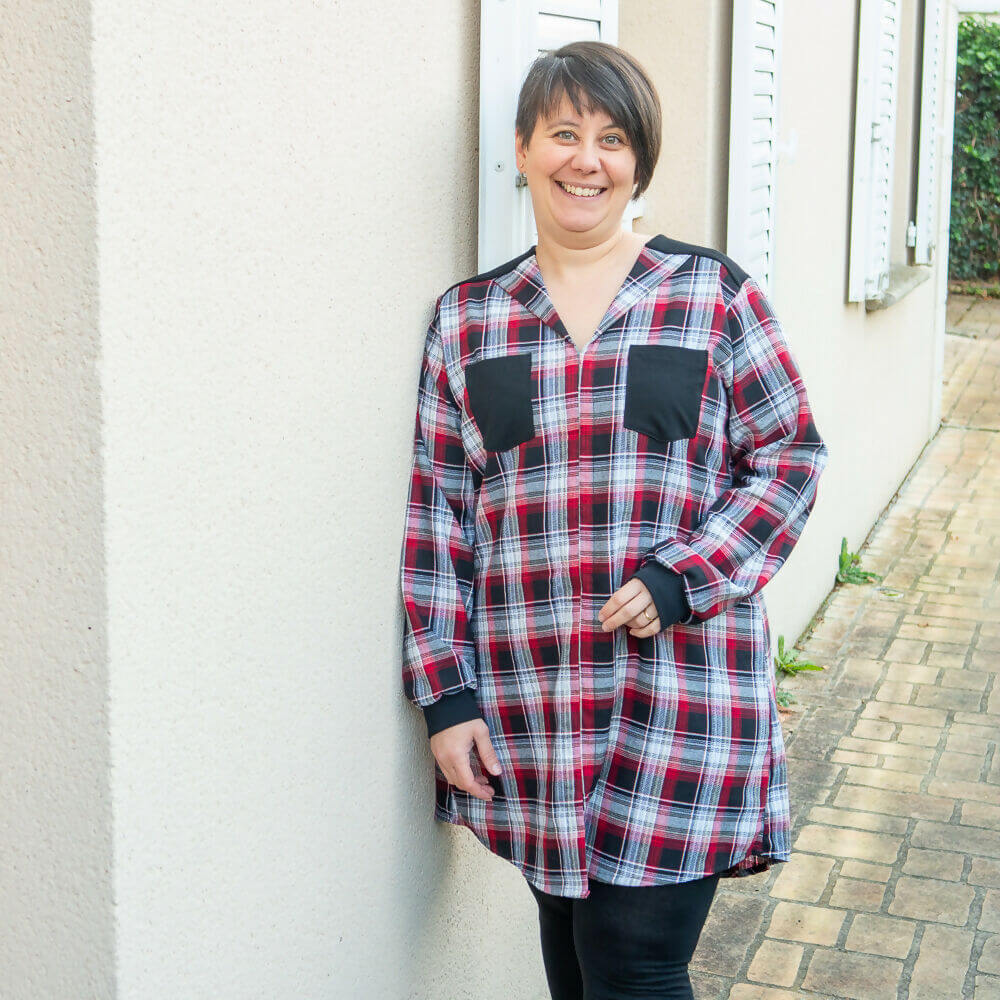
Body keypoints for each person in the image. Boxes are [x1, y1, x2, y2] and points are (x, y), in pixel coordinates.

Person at [398, 39, 829, 1000]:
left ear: (638, 163)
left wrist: (687, 573)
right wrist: (448, 701)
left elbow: (790, 458)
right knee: (574, 965)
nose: (585, 160)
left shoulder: (714, 298)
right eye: (562, 133)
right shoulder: (469, 323)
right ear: (521, 148)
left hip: (682, 704)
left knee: (635, 969)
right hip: (532, 712)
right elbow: (439, 527)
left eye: (611, 139)